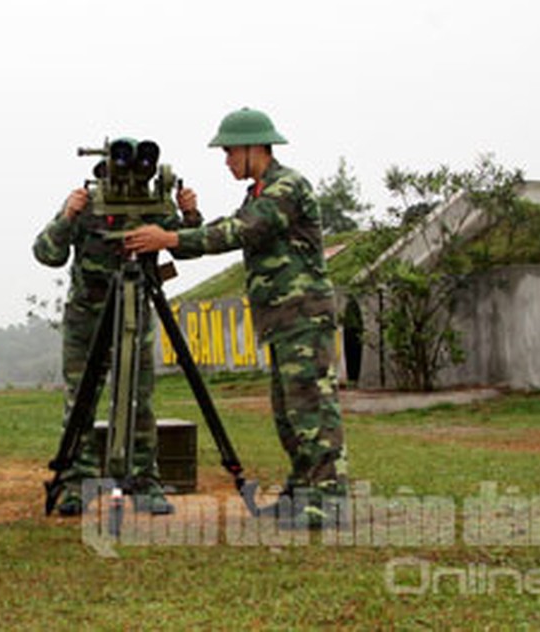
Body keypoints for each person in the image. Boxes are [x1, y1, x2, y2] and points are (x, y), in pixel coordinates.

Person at [124, 107, 348, 529]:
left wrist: (169, 237)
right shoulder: (259, 193)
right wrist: (176, 225)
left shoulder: (287, 187)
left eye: (230, 152)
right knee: (288, 413)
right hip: (282, 319)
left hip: (304, 318)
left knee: (312, 408)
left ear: (254, 147)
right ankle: (303, 491)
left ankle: (330, 498)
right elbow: (216, 232)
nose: (227, 161)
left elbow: (238, 232)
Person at [34, 143, 201, 516]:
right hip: (86, 320)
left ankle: (144, 481)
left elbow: (189, 247)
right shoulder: (87, 207)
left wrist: (190, 214)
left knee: (139, 400)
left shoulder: (155, 207)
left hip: (135, 314)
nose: (127, 176)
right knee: (81, 402)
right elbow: (47, 253)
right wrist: (67, 215)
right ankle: (78, 482)